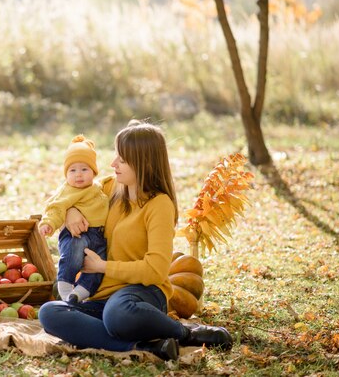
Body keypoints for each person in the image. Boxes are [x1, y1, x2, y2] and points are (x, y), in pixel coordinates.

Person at [38, 120, 233, 361]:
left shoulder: (159, 205)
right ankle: (145, 347)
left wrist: (102, 267)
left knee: (118, 314)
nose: (112, 164)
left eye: (121, 159)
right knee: (49, 313)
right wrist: (70, 212)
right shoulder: (109, 188)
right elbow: (67, 194)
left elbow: (156, 269)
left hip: (141, 296)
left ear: (143, 162)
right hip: (100, 298)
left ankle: (184, 333)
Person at [38, 135, 109, 303]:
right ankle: (65, 284)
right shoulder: (67, 191)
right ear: (66, 173)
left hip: (98, 236)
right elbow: (56, 207)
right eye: (72, 170)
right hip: (75, 234)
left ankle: (81, 292)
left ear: (94, 171)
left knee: (100, 263)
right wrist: (49, 223)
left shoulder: (98, 187)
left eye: (84, 169)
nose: (78, 175)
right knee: (74, 253)